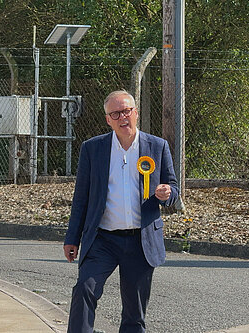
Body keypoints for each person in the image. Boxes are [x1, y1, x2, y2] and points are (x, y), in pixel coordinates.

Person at [63, 90, 180, 333]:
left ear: (135, 113)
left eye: (126, 111)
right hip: (102, 240)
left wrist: (167, 193)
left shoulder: (157, 146)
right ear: (108, 119)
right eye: (115, 113)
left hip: (141, 240)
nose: (122, 117)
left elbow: (174, 187)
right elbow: (81, 197)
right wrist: (72, 238)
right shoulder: (92, 149)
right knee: (85, 288)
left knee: (134, 313)